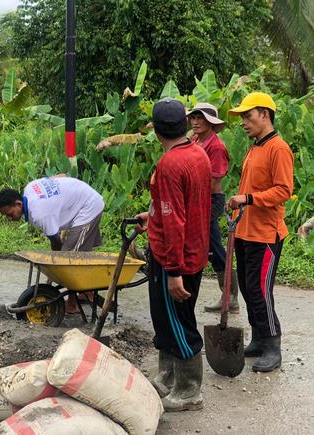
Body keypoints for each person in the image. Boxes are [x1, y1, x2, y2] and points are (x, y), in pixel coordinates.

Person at [135, 98, 211, 412]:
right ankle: (168, 377)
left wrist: (173, 270)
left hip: (175, 258)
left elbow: (175, 220)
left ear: (156, 130)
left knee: (178, 323)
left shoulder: (169, 164)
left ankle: (190, 390)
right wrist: (151, 218)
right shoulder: (197, 153)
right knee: (167, 321)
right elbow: (181, 207)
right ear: (183, 124)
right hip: (193, 250)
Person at [227, 92, 294, 373]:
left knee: (260, 291)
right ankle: (257, 337)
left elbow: (284, 190)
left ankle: (272, 345)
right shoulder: (256, 146)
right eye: (242, 116)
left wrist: (249, 199)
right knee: (246, 286)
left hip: (266, 234)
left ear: (264, 114)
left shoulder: (278, 148)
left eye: (247, 115)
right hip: (245, 230)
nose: (243, 122)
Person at [0, 176, 104, 313]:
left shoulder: (40, 214)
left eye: (10, 214)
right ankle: (85, 292)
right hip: (80, 198)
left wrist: (57, 266)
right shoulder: (29, 187)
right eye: (6, 216)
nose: (9, 219)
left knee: (71, 260)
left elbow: (55, 241)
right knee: (75, 254)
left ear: (18, 204)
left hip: (89, 206)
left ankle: (73, 304)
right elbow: (60, 176)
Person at [186, 103, 240, 313]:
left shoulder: (216, 146)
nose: (196, 122)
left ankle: (231, 296)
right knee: (211, 244)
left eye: (201, 118)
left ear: (211, 122)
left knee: (213, 245)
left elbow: (215, 179)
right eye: (194, 118)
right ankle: (230, 296)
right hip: (197, 198)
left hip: (210, 199)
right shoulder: (195, 140)